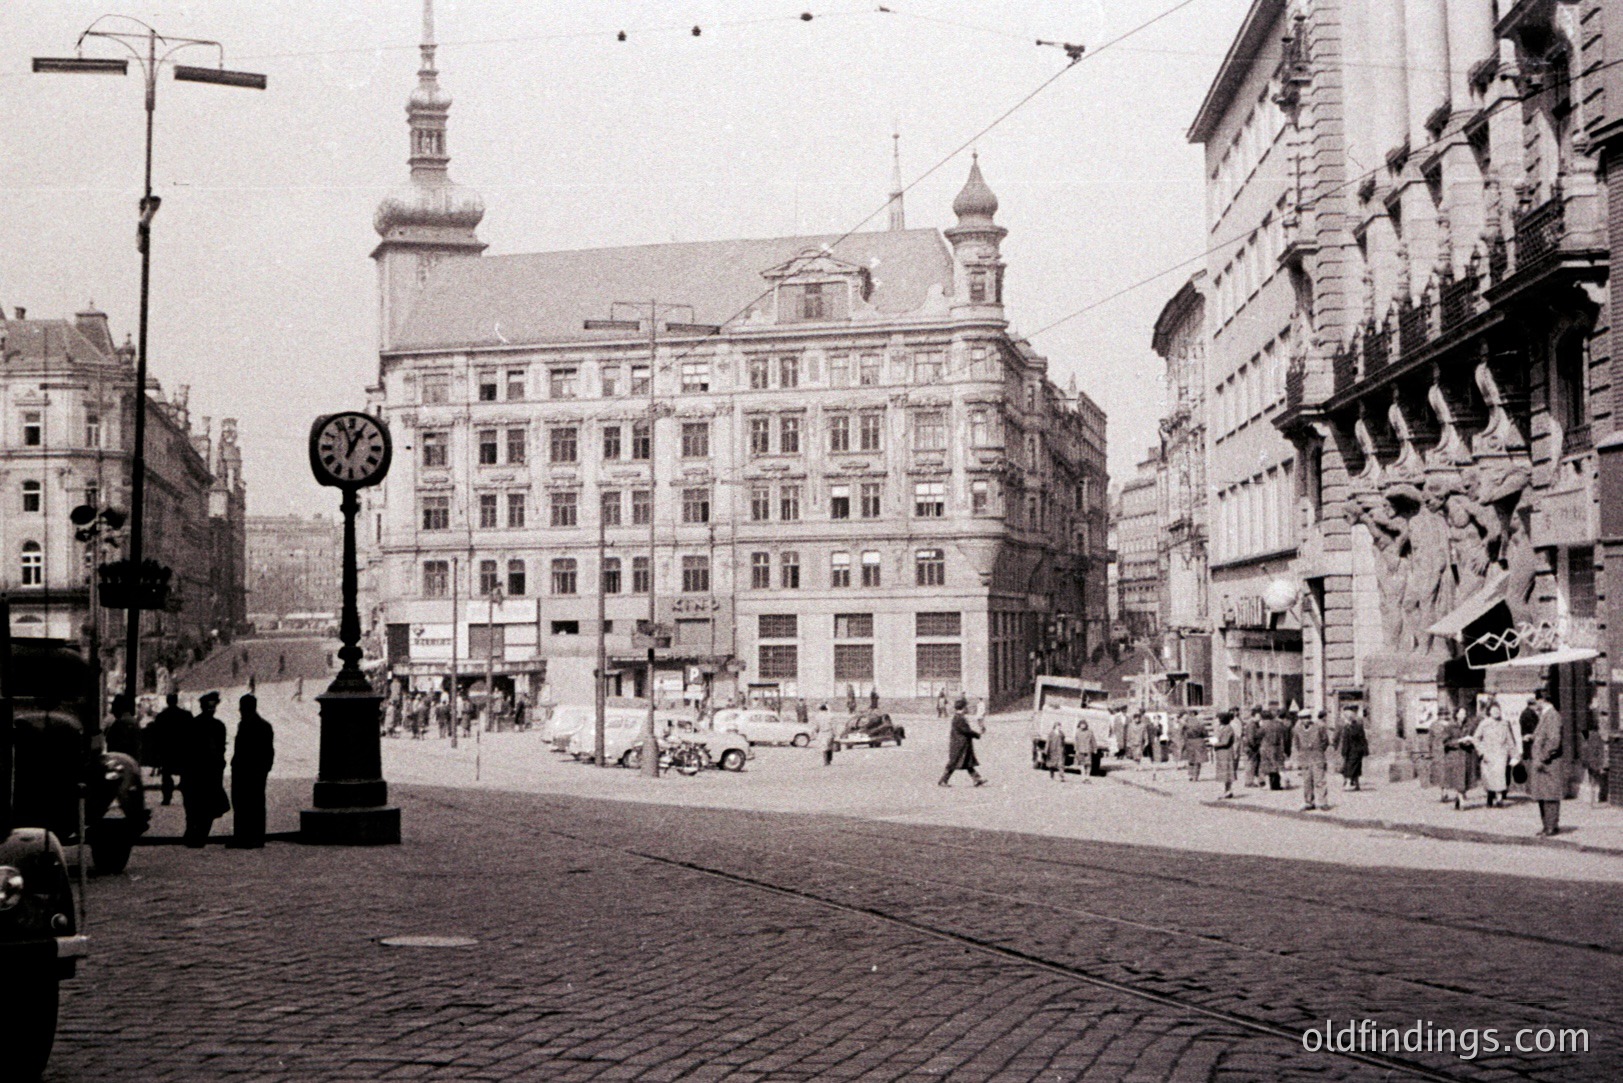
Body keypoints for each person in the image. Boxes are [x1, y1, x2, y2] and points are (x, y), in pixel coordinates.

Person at [180, 691, 229, 848]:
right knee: (206, 806)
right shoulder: (218, 726)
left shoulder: (192, 724)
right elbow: (220, 752)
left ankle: (193, 833)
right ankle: (199, 835)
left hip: (196, 773)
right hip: (208, 773)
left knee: (193, 805)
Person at [228, 694, 275, 849]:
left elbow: (241, 750)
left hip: (245, 771)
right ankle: (256, 837)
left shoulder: (245, 725)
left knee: (242, 804)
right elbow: (270, 752)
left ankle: (242, 837)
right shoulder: (265, 726)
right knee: (256, 804)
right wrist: (265, 769)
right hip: (257, 772)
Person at [1528, 688, 1567, 836]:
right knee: (1542, 796)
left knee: (1550, 796)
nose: (1535, 704)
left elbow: (1554, 741)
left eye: (1536, 700)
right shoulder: (1546, 715)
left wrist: (1542, 757)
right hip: (1543, 764)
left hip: (1548, 764)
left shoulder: (1552, 716)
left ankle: (1551, 826)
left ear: (1542, 700)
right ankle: (1546, 826)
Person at [1472, 699, 1519, 808]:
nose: (1496, 712)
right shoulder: (1484, 724)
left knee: (1500, 776)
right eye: (1494, 710)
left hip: (1501, 754)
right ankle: (1490, 796)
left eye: (1498, 710)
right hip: (1488, 754)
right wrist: (1481, 752)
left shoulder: (1504, 724)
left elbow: (1510, 740)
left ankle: (1499, 799)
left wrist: (1514, 755)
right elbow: (1476, 738)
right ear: (1489, 712)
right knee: (1489, 777)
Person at [147, 692, 192, 805]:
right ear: (176, 701)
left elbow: (156, 736)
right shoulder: (186, 715)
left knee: (166, 776)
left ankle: (167, 797)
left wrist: (156, 753)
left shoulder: (161, 716)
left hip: (167, 751)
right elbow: (192, 733)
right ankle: (187, 797)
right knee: (185, 775)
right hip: (183, 750)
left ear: (167, 701)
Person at [1436, 706, 1478, 810]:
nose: (1463, 716)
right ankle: (1462, 801)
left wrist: (1470, 741)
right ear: (1456, 714)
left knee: (1465, 779)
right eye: (1460, 713)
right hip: (1455, 757)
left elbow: (1475, 738)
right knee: (1459, 779)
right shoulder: (1450, 727)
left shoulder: (1469, 726)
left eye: (1464, 714)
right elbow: (1445, 742)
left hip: (1467, 755)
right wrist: (1459, 741)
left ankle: (1459, 798)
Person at [938, 697, 985, 787]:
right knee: (953, 762)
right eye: (966, 707)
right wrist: (977, 734)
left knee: (967, 762)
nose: (967, 708)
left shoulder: (959, 717)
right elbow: (966, 731)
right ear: (963, 708)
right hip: (959, 745)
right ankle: (943, 780)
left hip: (962, 744)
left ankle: (977, 779)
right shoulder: (959, 718)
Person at [1293, 708, 1330, 810]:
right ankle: (1309, 802)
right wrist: (1301, 754)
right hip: (1305, 758)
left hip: (1317, 757)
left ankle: (1323, 803)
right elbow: (1296, 743)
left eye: (1307, 718)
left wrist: (1318, 750)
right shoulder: (1297, 729)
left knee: (1320, 781)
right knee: (1307, 781)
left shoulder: (1319, 727)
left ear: (1310, 718)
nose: (1305, 721)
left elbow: (1325, 741)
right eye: (1302, 719)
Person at [1337, 706, 1369, 791]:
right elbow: (1363, 739)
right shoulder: (1358, 726)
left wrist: (1344, 752)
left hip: (1352, 751)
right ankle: (1357, 784)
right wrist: (1365, 750)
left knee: (1350, 767)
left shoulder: (1348, 728)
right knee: (1356, 767)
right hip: (1358, 750)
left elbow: (1346, 741)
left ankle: (1348, 784)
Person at [104, 693, 143, 759]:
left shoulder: (119, 723)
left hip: (122, 760)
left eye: (114, 706)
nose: (112, 710)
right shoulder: (133, 721)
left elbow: (110, 740)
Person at [1259, 709, 1288, 790]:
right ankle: (1278, 783)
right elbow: (1285, 733)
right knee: (1278, 765)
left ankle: (1268, 784)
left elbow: (1258, 735)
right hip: (1278, 747)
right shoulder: (1279, 724)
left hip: (1266, 747)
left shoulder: (1264, 725)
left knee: (1267, 766)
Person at [1211, 711, 1238, 798]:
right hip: (1220, 752)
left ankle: (1227, 790)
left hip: (1226, 752)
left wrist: (1215, 744)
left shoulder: (1228, 728)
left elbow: (1225, 742)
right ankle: (1227, 790)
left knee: (1226, 771)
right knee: (1223, 771)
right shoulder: (1220, 728)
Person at [1181, 713, 1208, 782]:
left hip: (1189, 742)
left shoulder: (1186, 726)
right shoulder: (1200, 725)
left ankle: (1190, 775)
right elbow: (1205, 734)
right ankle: (1195, 777)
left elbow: (1182, 734)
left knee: (1191, 760)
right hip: (1199, 742)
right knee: (1198, 761)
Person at [1242, 707, 1264, 787]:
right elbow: (1251, 738)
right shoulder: (1252, 725)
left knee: (1255, 764)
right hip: (1251, 748)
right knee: (1251, 765)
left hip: (1252, 747)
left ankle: (1258, 780)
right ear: (1254, 715)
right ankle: (1249, 782)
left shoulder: (1255, 724)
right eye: (1259, 716)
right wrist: (1255, 746)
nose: (1260, 717)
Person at [1073, 718, 1098, 782]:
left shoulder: (1089, 732)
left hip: (1088, 750)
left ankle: (1088, 776)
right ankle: (1083, 777)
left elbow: (1093, 740)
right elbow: (1076, 741)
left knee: (1088, 764)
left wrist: (1095, 748)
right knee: (1082, 764)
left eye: (1084, 724)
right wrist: (1076, 749)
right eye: (1081, 724)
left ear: (1086, 725)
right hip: (1080, 750)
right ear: (1079, 725)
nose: (1083, 726)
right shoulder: (1077, 732)